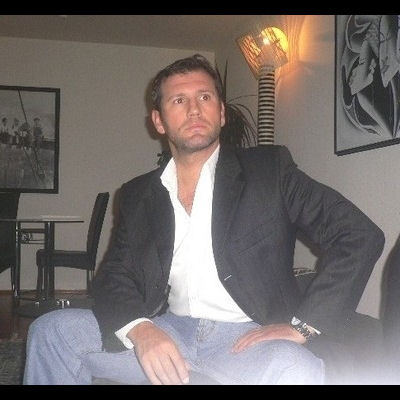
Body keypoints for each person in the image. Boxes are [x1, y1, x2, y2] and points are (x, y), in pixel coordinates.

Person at [23, 54, 384, 385]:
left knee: (297, 369)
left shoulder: (269, 172)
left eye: (205, 97)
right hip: (169, 331)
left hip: (249, 338)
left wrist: (303, 327)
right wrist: (141, 330)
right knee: (52, 331)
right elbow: (116, 274)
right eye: (179, 100)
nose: (194, 109)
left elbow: (359, 235)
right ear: (158, 121)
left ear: (222, 113)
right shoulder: (139, 194)